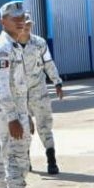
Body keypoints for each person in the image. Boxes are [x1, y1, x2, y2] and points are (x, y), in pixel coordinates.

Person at [0, 1, 54, 188]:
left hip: (11, 113)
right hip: (9, 115)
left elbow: (18, 86)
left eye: (21, 16)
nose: (19, 20)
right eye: (13, 17)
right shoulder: (4, 48)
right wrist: (14, 118)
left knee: (1, 158)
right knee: (16, 160)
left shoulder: (14, 45)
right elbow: (2, 87)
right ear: (2, 21)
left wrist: (24, 114)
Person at [20, 16, 65, 175]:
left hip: (39, 91)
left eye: (29, 24)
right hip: (19, 95)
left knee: (45, 126)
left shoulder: (39, 43)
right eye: (23, 24)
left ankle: (51, 160)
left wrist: (57, 82)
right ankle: (26, 161)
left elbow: (48, 63)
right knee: (23, 129)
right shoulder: (10, 46)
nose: (26, 27)